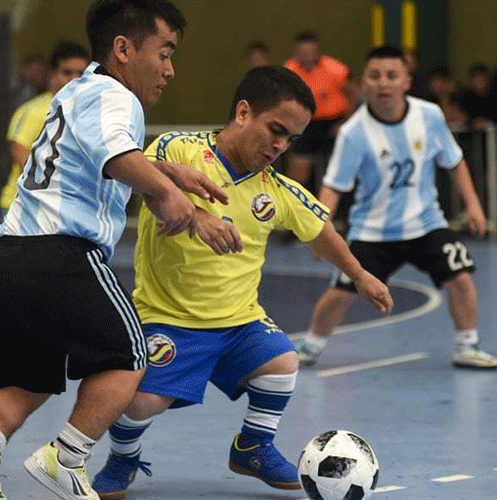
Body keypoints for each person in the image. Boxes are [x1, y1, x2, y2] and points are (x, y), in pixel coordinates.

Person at [0, 1, 231, 499]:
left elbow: (97, 152)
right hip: (64, 256)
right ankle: (67, 457)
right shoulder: (116, 96)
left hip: (9, 259)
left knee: (25, 380)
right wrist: (169, 193)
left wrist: (168, 171)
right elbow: (116, 155)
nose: (169, 70)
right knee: (130, 356)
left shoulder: (76, 91)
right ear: (123, 48)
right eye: (164, 53)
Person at [91, 66, 393, 499]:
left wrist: (360, 275)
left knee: (282, 362)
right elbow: (149, 188)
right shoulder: (179, 148)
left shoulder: (278, 190)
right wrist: (196, 217)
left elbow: (320, 231)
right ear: (243, 112)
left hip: (239, 321)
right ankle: (123, 458)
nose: (281, 145)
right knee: (140, 404)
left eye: (291, 139)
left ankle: (253, 447)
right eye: (276, 130)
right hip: (169, 316)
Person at [296, 46, 497, 370]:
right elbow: (333, 186)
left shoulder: (429, 116)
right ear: (364, 82)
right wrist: (318, 232)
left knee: (461, 278)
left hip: (426, 224)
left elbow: (455, 161)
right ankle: (310, 346)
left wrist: (474, 205)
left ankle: (467, 345)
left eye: (392, 75)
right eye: (375, 76)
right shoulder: (353, 132)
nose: (383, 83)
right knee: (341, 292)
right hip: (372, 232)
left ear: (406, 81)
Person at [0, 40, 90, 343]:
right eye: (67, 72)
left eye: (80, 73)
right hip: (20, 205)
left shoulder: (86, 114)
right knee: (13, 270)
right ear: (52, 74)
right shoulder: (34, 111)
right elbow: (20, 151)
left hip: (60, 207)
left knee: (57, 269)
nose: (73, 79)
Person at [283, 32, 356, 194]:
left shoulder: (335, 68)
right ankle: (296, 201)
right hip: (305, 124)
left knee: (338, 168)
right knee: (298, 170)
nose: (307, 55)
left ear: (317, 51)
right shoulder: (289, 70)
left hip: (334, 123)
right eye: (303, 51)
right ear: (296, 52)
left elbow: (353, 94)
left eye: (310, 51)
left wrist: (346, 122)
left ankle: (340, 203)